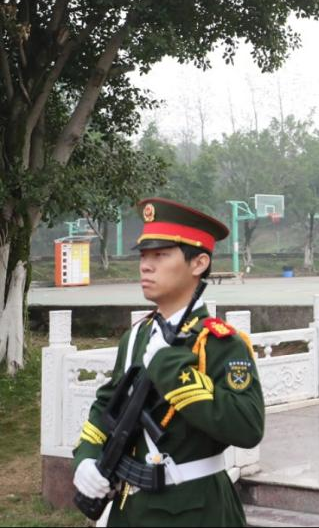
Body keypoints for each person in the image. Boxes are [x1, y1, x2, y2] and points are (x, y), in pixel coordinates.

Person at [72, 198, 264, 526]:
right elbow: (107, 407)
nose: (146, 266)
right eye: (144, 256)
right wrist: (87, 458)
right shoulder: (137, 337)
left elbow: (247, 427)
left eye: (160, 255)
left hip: (195, 509)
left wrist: (169, 367)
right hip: (129, 510)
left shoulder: (219, 343)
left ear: (199, 263)